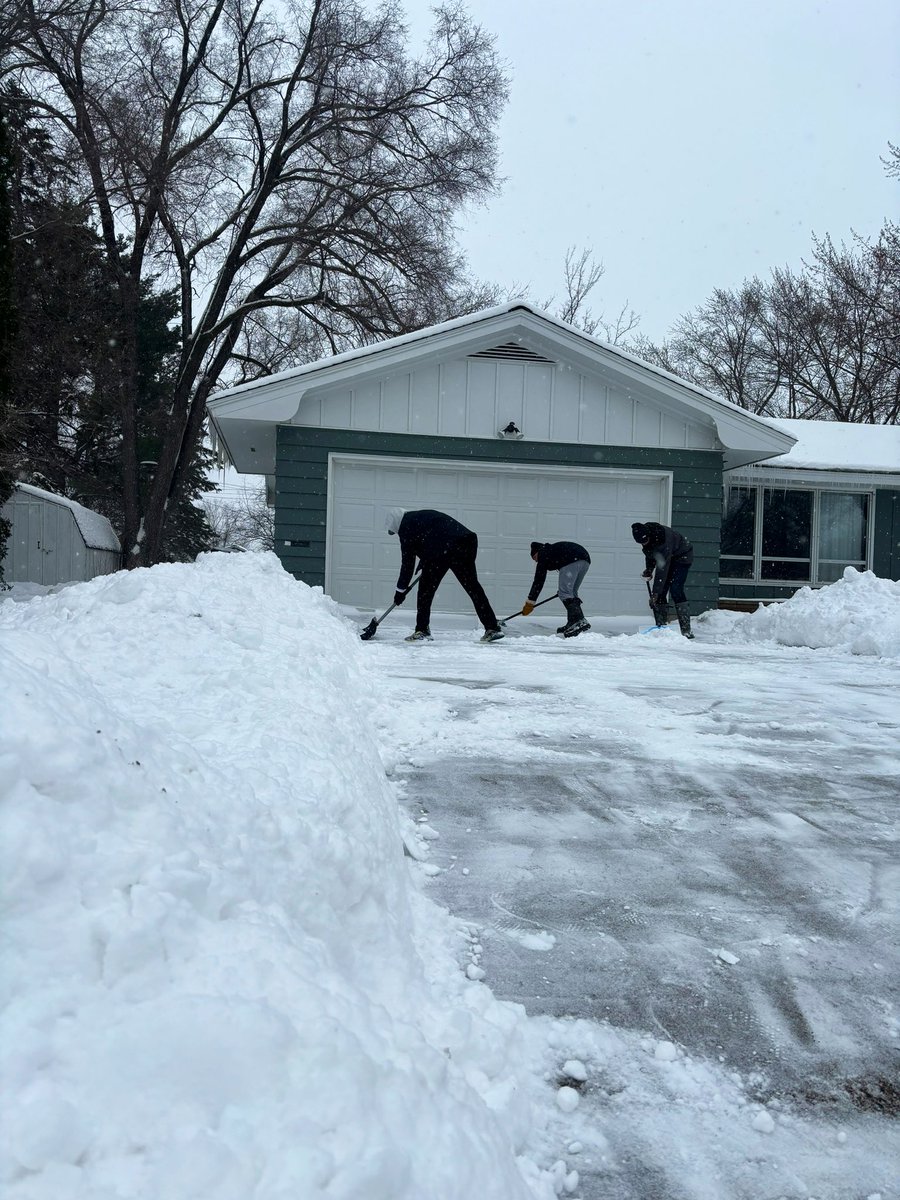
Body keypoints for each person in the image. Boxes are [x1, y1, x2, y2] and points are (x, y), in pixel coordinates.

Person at [386, 508, 504, 643]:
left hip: (444, 548)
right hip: (465, 541)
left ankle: (422, 630)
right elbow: (432, 540)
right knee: (473, 587)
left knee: (425, 590)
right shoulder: (420, 517)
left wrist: (400, 591)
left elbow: (407, 563)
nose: (396, 534)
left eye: (394, 531)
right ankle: (492, 627)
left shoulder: (405, 526)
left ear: (395, 523)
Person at [631, 521, 694, 638]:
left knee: (676, 589)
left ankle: (686, 630)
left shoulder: (662, 538)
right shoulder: (647, 540)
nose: (644, 544)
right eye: (641, 543)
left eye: (645, 541)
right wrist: (649, 569)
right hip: (668, 558)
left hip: (682, 556)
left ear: (649, 535)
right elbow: (651, 554)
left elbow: (662, 569)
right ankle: (661, 629)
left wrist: (654, 593)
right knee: (661, 593)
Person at [522, 540, 591, 637]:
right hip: (585, 560)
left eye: (534, 558)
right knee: (572, 592)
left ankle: (579, 621)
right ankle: (572, 622)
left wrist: (530, 602)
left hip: (571, 559)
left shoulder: (543, 554)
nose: (536, 561)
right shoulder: (550, 550)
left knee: (565, 593)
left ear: (536, 553)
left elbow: (538, 581)